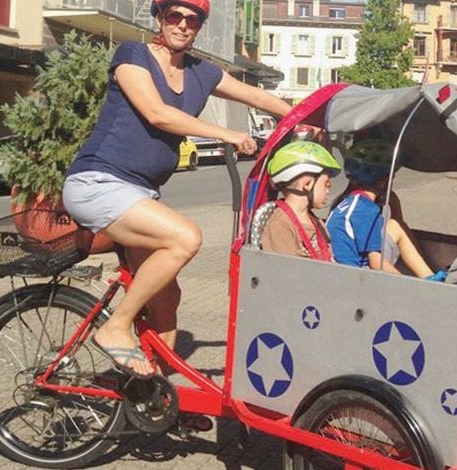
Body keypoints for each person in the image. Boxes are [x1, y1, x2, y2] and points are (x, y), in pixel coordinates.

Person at [62, 0, 291, 377]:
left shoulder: (202, 73)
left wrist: (305, 117)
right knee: (185, 238)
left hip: (138, 193)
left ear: (199, 26)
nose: (183, 25)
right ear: (160, 17)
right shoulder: (133, 55)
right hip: (97, 182)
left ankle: (159, 395)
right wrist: (227, 134)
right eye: (175, 16)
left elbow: (257, 96)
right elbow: (157, 113)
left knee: (167, 298)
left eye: (193, 19)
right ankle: (115, 327)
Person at [326, 139, 442, 279]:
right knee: (395, 226)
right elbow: (376, 262)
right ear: (383, 181)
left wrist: (394, 203)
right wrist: (408, 284)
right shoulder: (367, 210)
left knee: (395, 226)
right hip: (356, 275)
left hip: (340, 268)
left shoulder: (346, 202)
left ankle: (429, 278)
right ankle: (430, 280)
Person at [261, 141, 341, 260]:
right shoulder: (280, 226)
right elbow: (288, 272)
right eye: (326, 184)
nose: (328, 190)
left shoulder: (316, 221)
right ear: (307, 184)